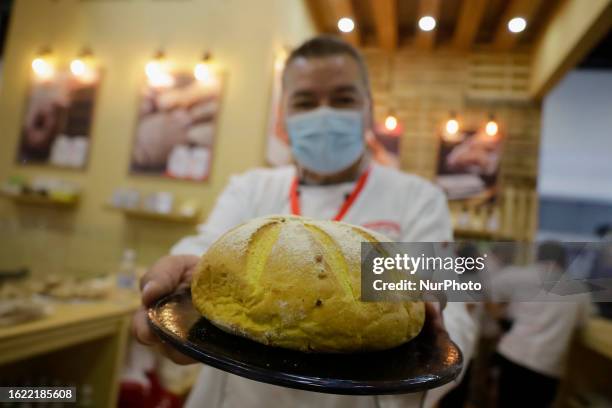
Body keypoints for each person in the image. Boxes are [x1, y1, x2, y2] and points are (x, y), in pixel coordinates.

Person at [132, 35, 476, 408]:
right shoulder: (251, 188)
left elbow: (450, 304)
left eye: (343, 99)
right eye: (306, 101)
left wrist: (429, 348)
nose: (324, 113)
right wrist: (177, 289)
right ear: (284, 116)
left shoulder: (419, 198)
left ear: (368, 110)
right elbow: (205, 250)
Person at [493, 241, 592, 408]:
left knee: (506, 402)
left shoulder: (519, 274)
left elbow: (489, 291)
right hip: (547, 364)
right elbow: (581, 325)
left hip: (513, 353)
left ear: (538, 255)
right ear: (564, 261)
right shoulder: (579, 290)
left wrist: (500, 318)